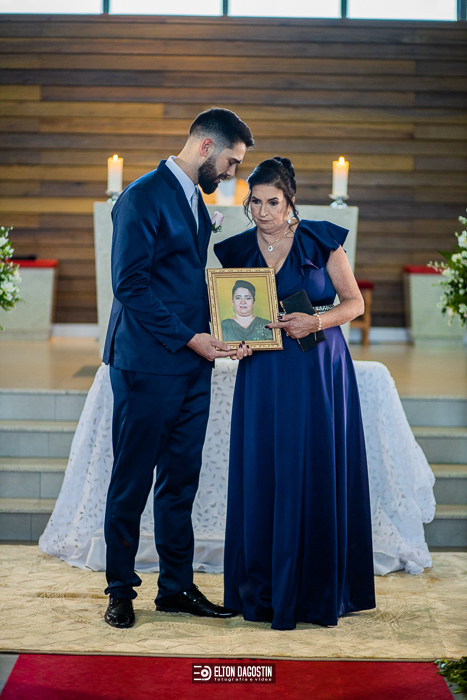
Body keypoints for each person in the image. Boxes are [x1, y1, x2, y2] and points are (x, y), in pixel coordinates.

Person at [102, 108, 254, 628]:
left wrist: (231, 329)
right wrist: (192, 338)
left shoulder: (194, 200)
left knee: (180, 482)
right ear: (206, 147)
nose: (232, 173)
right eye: (231, 162)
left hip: (192, 366)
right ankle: (120, 589)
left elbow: (185, 283)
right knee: (131, 481)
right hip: (146, 365)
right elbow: (130, 285)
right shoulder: (142, 197)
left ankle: (176, 587)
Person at [214, 156, 376, 630]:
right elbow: (231, 316)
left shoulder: (322, 239)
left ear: (290, 202)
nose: (263, 212)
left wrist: (316, 320)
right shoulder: (236, 249)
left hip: (316, 369)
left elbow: (354, 303)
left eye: (273, 202)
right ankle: (262, 591)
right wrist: (236, 342)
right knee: (263, 468)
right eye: (255, 202)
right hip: (263, 372)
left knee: (313, 465)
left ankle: (314, 590)